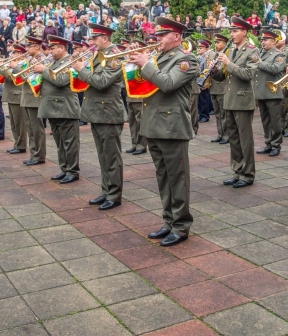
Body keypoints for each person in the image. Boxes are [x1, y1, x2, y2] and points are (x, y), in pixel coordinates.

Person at [128, 17, 198, 247]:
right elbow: (143, 84)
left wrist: (146, 63)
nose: (157, 39)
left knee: (178, 179)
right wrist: (135, 62)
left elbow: (167, 84)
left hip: (172, 126)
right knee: (163, 177)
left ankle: (181, 226)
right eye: (156, 35)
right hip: (154, 125)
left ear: (176, 36)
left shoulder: (186, 59)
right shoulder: (158, 58)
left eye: (162, 35)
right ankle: (169, 221)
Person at [72, 24, 127, 208]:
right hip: (97, 111)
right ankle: (106, 191)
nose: (92, 42)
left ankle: (114, 195)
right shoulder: (99, 55)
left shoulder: (115, 57)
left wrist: (82, 69)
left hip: (108, 112)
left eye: (95, 39)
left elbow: (102, 82)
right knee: (103, 156)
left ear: (105, 38)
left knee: (112, 157)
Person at [211, 17, 260, 189]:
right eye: (231, 31)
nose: (231, 34)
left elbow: (248, 74)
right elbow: (223, 77)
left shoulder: (252, 51)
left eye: (235, 31)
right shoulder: (231, 51)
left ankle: (248, 174)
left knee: (245, 139)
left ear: (244, 32)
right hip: (229, 99)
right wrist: (214, 70)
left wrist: (228, 63)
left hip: (243, 100)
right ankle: (237, 171)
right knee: (233, 138)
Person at [34, 36, 80, 183]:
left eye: (53, 48)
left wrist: (44, 70)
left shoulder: (70, 62)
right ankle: (64, 168)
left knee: (70, 142)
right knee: (60, 142)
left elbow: (61, 81)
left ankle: (72, 171)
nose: (50, 51)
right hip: (53, 107)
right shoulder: (55, 63)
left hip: (65, 108)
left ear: (62, 48)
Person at [253, 30, 287, 157]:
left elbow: (276, 68)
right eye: (262, 40)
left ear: (273, 41)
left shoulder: (279, 55)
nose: (263, 42)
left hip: (273, 93)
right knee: (265, 121)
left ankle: (276, 145)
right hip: (262, 92)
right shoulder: (262, 53)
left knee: (275, 121)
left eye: (265, 40)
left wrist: (260, 62)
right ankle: (268, 143)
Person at [14, 37, 47, 165]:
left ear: (37, 47)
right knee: (30, 128)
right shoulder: (30, 60)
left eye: (29, 46)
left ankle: (39, 155)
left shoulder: (41, 60)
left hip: (34, 97)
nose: (27, 49)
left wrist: (16, 67)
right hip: (27, 97)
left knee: (36, 129)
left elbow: (28, 78)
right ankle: (34, 154)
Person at [1, 44, 27, 150]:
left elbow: (10, 78)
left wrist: (2, 68)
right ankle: (17, 143)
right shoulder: (14, 64)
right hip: (11, 95)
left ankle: (21, 145)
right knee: (13, 123)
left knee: (19, 123)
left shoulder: (23, 65)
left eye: (15, 53)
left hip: (17, 96)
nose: (12, 55)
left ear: (21, 54)